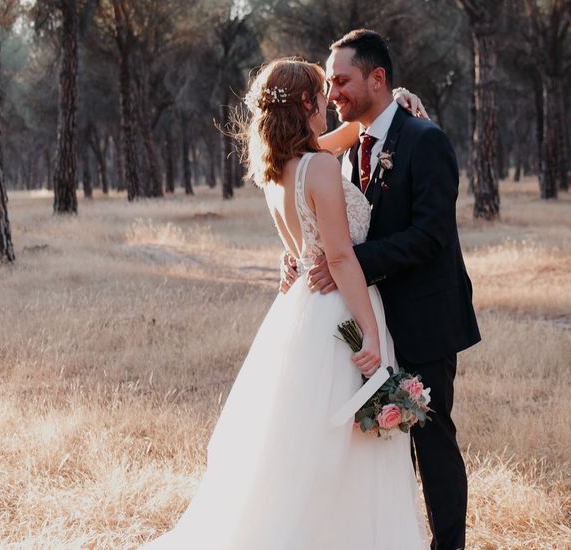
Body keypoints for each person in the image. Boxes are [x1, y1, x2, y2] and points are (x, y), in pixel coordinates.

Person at [145, 58, 429, 549]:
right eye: (325, 93)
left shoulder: (279, 171)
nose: (332, 102)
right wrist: (372, 334)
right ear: (307, 103)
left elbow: (307, 236)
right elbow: (339, 257)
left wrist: (395, 97)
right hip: (341, 311)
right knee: (346, 448)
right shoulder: (318, 166)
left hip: (301, 316)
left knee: (303, 447)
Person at [281, 30, 481, 550]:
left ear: (378, 78)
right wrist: (304, 257)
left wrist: (348, 264)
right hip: (366, 321)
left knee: (431, 442)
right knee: (374, 444)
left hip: (423, 318)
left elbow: (431, 235)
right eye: (329, 85)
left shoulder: (425, 139)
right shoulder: (348, 146)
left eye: (342, 81)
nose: (333, 95)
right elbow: (308, 200)